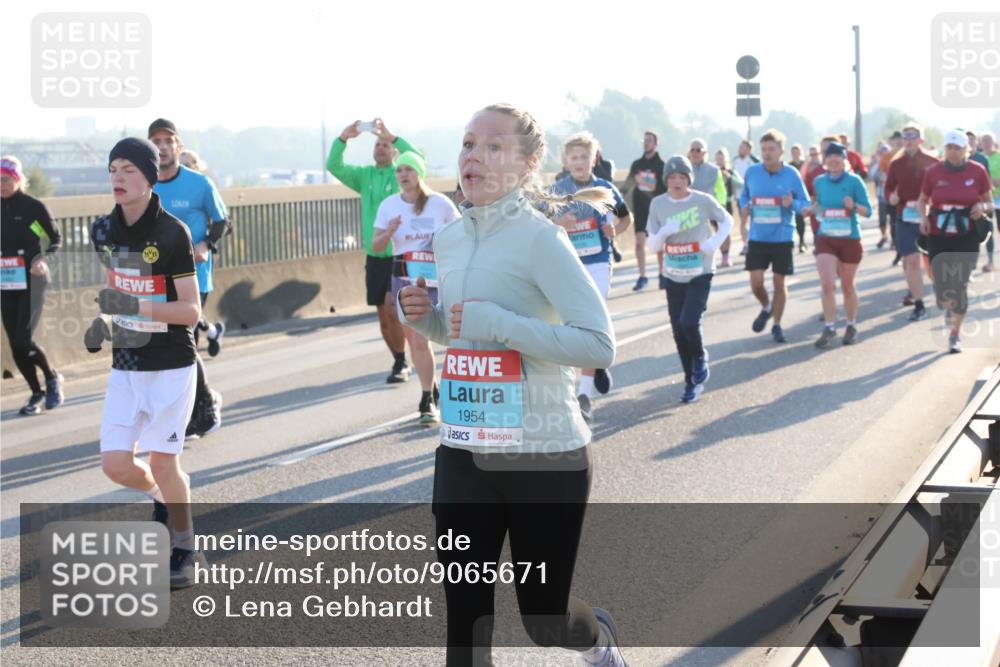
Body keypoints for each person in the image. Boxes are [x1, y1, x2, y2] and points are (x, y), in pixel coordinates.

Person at [397, 103, 625, 667]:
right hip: (465, 450)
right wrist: (425, 318)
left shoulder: (541, 240)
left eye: (492, 146)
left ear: (526, 165)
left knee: (545, 621)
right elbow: (462, 331)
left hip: (543, 454)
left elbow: (598, 346)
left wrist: (500, 324)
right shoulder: (449, 239)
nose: (473, 156)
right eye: (467, 143)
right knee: (465, 623)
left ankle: (598, 640)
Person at [87, 137, 207, 587]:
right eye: (113, 169)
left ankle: (185, 547)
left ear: (150, 177)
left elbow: (190, 311)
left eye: (129, 170)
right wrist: (105, 320)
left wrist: (134, 307)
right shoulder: (103, 230)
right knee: (115, 465)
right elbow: (116, 290)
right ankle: (164, 499)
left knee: (162, 461)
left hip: (171, 364)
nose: (118, 178)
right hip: (126, 363)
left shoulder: (172, 232)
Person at [327, 118, 422, 383]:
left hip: (399, 254)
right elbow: (334, 166)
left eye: (385, 145)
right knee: (383, 318)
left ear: (394, 151)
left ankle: (409, 357)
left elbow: (417, 158)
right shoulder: (364, 176)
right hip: (375, 256)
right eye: (377, 145)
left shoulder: (401, 174)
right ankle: (399, 359)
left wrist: (393, 136)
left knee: (393, 309)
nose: (380, 148)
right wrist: (343, 138)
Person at [148, 119, 225, 439]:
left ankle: (204, 405)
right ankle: (189, 408)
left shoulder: (199, 183)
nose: (162, 147)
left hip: (194, 275)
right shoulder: (144, 185)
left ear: (178, 146)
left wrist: (205, 244)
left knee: (184, 341)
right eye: (156, 141)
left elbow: (221, 221)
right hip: (156, 277)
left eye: (168, 141)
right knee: (165, 348)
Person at [372, 151, 460, 426]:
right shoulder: (389, 205)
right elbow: (376, 246)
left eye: (409, 169)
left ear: (420, 173)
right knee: (418, 340)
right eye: (399, 170)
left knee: (431, 339)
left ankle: (429, 393)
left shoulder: (439, 204)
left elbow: (462, 235)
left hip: (436, 279)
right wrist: (389, 231)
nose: (403, 175)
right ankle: (427, 397)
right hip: (404, 277)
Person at [551, 131, 632, 421]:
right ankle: (597, 362)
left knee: (590, 321)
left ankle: (584, 394)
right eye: (573, 157)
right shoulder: (557, 190)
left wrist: (615, 230)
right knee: (572, 327)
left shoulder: (605, 188)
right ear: (566, 161)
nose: (579, 162)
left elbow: (626, 218)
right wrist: (558, 221)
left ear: (593, 159)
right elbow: (538, 221)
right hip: (568, 264)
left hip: (598, 262)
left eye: (584, 157)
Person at [646, 156, 733, 402]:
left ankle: (700, 357)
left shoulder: (702, 200)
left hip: (700, 271)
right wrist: (663, 233)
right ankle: (689, 381)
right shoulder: (658, 204)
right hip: (673, 274)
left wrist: (714, 243)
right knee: (678, 331)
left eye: (682, 177)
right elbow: (652, 246)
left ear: (689, 179)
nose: (677, 182)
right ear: (666, 180)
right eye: (672, 177)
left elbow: (727, 219)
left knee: (689, 322)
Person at [918, 130, 994, 353]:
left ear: (966, 150)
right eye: (949, 148)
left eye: (957, 148)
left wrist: (981, 207)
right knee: (942, 286)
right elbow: (922, 200)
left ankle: (954, 335)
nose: (952, 152)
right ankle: (948, 305)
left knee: (959, 284)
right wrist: (923, 218)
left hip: (967, 233)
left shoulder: (977, 171)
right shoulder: (933, 172)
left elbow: (990, 203)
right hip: (938, 232)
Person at [1, 155, 64, 415]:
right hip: (6, 282)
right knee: (15, 344)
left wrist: (43, 259)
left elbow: (54, 239)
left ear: (18, 179)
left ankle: (52, 377)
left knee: (23, 339)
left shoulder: (32, 208)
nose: (1, 184)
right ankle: (36, 392)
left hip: (33, 280)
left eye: (6, 179)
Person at [738, 129, 810, 343]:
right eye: (764, 149)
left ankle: (777, 325)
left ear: (781, 151)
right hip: (758, 236)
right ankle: (766, 306)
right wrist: (744, 206)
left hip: (782, 237)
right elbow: (744, 195)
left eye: (771, 149)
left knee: (779, 283)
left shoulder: (791, 174)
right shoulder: (752, 172)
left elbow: (805, 204)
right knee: (756, 283)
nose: (767, 153)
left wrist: (792, 203)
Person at [809, 142, 872, 348]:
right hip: (826, 237)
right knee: (827, 284)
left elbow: (868, 211)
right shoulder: (819, 181)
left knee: (847, 285)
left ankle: (851, 325)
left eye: (838, 156)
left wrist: (854, 206)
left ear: (845, 160)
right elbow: (819, 204)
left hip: (849, 238)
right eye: (830, 157)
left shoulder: (854, 181)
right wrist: (811, 209)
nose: (833, 160)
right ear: (825, 160)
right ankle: (829, 327)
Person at [885, 122, 939, 320]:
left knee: (932, 263)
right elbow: (888, 188)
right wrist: (891, 197)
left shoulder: (933, 162)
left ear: (921, 139)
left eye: (913, 136)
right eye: (905, 136)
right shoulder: (896, 164)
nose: (908, 140)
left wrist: (930, 201)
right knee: (912, 262)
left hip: (929, 218)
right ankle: (919, 305)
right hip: (905, 218)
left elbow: (942, 187)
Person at [624, 131, 667, 290]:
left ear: (656, 144)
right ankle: (642, 276)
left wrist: (646, 182)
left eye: (650, 140)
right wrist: (617, 196)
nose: (646, 143)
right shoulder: (637, 164)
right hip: (640, 209)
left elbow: (664, 188)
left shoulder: (661, 165)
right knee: (639, 243)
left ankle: (662, 274)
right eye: (645, 140)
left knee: (659, 245)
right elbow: (628, 184)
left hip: (656, 209)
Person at [685, 138, 729, 276]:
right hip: (691, 209)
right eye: (692, 150)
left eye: (698, 150)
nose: (695, 153)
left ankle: (725, 255)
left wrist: (721, 205)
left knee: (720, 229)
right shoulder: (685, 169)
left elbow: (721, 190)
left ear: (705, 153)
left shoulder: (714, 170)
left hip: (710, 207)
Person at [714, 147, 742, 266]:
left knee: (725, 230)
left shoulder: (731, 171)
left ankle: (726, 256)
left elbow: (741, 184)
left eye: (722, 158)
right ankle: (722, 254)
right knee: (718, 232)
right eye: (718, 158)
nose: (720, 161)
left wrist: (730, 177)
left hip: (728, 204)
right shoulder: (712, 171)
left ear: (726, 159)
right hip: (714, 204)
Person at [981, 131, 999, 272]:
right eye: (984, 140)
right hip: (986, 200)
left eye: (988, 140)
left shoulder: (998, 157)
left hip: (999, 199)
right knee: (988, 230)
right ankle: (991, 261)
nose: (986, 143)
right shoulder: (980, 158)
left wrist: (993, 182)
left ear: (994, 142)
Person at [789, 144, 808, 253]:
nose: (795, 154)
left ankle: (802, 241)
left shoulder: (805, 164)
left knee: (800, 217)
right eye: (793, 152)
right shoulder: (789, 166)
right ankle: (794, 241)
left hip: (803, 194)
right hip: (792, 195)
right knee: (795, 218)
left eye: (797, 152)